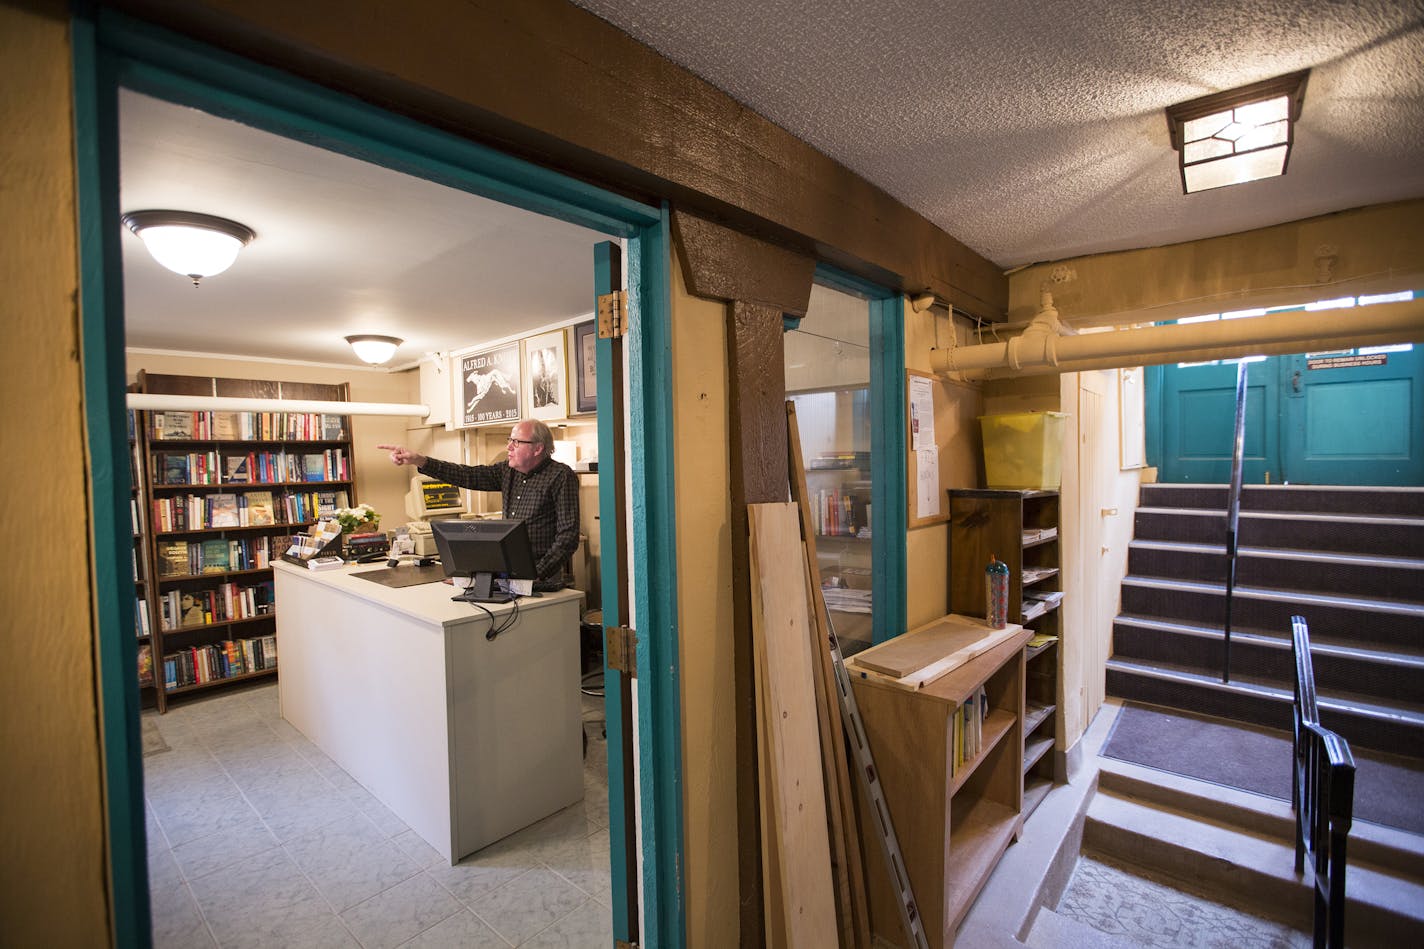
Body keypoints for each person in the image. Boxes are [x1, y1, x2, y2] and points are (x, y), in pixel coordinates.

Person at [378, 419, 579, 590]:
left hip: (540, 577)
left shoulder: (561, 476)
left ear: (538, 448)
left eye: (516, 442)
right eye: (509, 440)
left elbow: (568, 536)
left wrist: (537, 574)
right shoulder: (507, 472)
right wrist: (420, 461)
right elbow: (467, 475)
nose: (508, 447)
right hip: (508, 573)